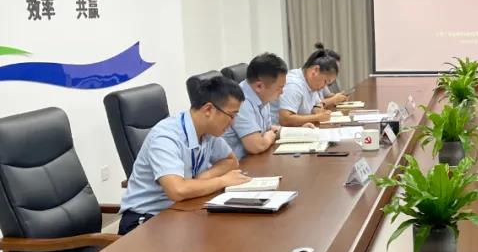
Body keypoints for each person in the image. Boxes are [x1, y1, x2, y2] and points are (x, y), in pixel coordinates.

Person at [118, 76, 249, 234]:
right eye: (231, 115)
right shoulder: (166, 136)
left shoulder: (208, 132)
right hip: (145, 221)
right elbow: (177, 190)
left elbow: (231, 161)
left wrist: (204, 177)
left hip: (181, 210)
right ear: (208, 110)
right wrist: (222, 181)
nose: (233, 122)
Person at [222, 52, 287, 160]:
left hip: (253, 160)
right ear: (259, 86)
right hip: (238, 164)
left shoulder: (262, 97)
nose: (282, 92)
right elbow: (256, 146)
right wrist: (270, 136)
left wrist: (301, 132)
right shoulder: (240, 101)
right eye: (279, 88)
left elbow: (268, 129)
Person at [278, 49, 339, 127]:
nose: (324, 87)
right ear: (315, 70)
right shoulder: (293, 85)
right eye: (325, 81)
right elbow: (285, 119)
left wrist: (317, 108)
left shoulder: (311, 83)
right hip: (279, 132)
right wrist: (317, 117)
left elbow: (317, 104)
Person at [313, 42, 351, 109]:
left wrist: (340, 97)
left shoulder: (322, 80)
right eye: (335, 67)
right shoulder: (311, 80)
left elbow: (327, 95)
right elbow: (315, 105)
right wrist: (334, 99)